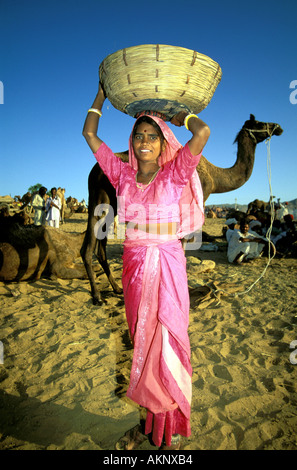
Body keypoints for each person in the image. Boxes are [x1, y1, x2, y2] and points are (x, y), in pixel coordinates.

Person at [82, 82, 210, 450]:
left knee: (166, 344)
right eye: (139, 135)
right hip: (135, 271)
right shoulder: (120, 175)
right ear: (132, 139)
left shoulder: (175, 173)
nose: (144, 142)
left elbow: (202, 132)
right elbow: (89, 133)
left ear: (162, 142)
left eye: (152, 136)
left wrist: (177, 116)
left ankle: (164, 433)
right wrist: (103, 93)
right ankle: (150, 426)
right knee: (142, 343)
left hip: (168, 270)